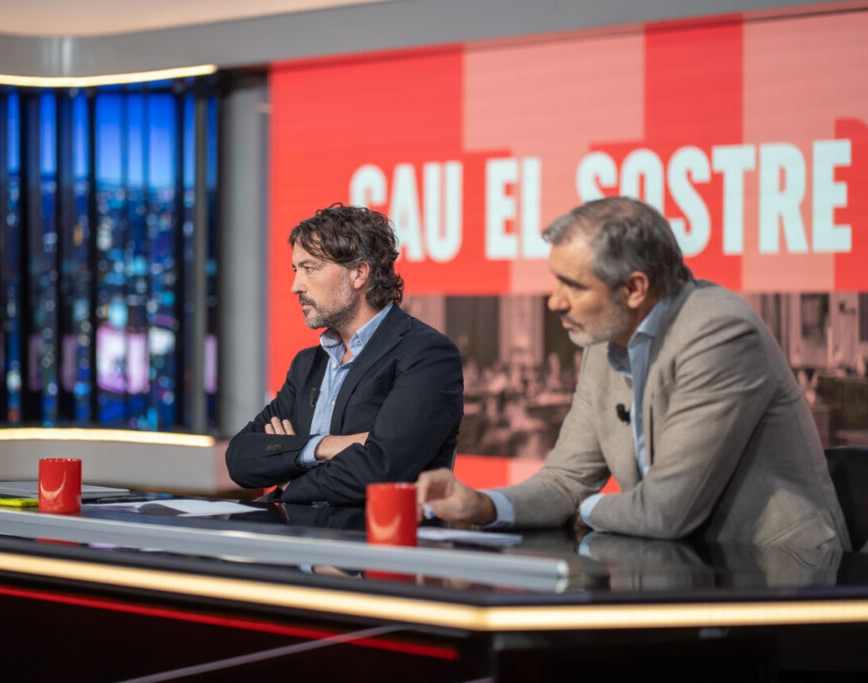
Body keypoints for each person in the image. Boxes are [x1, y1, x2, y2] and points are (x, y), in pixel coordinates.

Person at [418, 197, 849, 550]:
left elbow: (667, 510)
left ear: (634, 288)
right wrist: (483, 506)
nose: (555, 302)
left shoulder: (719, 332)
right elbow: (567, 479)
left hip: (780, 578)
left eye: (575, 286)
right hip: (680, 569)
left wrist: (583, 511)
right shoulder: (604, 339)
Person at [227, 203, 463, 506]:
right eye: (295, 270)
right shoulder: (308, 364)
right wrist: (324, 447)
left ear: (359, 274)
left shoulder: (427, 355)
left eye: (310, 268)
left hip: (377, 545)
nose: (295, 286)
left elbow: (382, 470)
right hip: (299, 543)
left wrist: (290, 478)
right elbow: (240, 456)